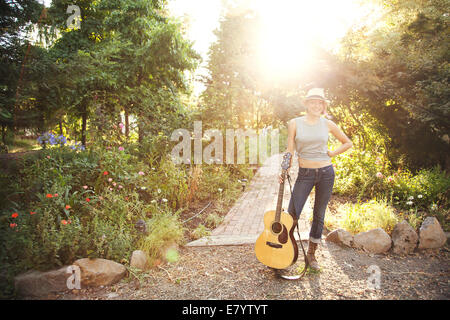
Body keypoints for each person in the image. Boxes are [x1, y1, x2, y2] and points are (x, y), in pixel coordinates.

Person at [279, 88, 353, 270]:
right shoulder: (294, 123)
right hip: (305, 174)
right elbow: (290, 149)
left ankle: (311, 255)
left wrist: (332, 153)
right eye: (313, 101)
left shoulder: (328, 124)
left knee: (319, 215)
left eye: (320, 102)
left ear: (323, 105)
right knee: (292, 213)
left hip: (326, 174)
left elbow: (348, 142)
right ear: (306, 104)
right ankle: (285, 250)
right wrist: (284, 168)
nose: (316, 105)